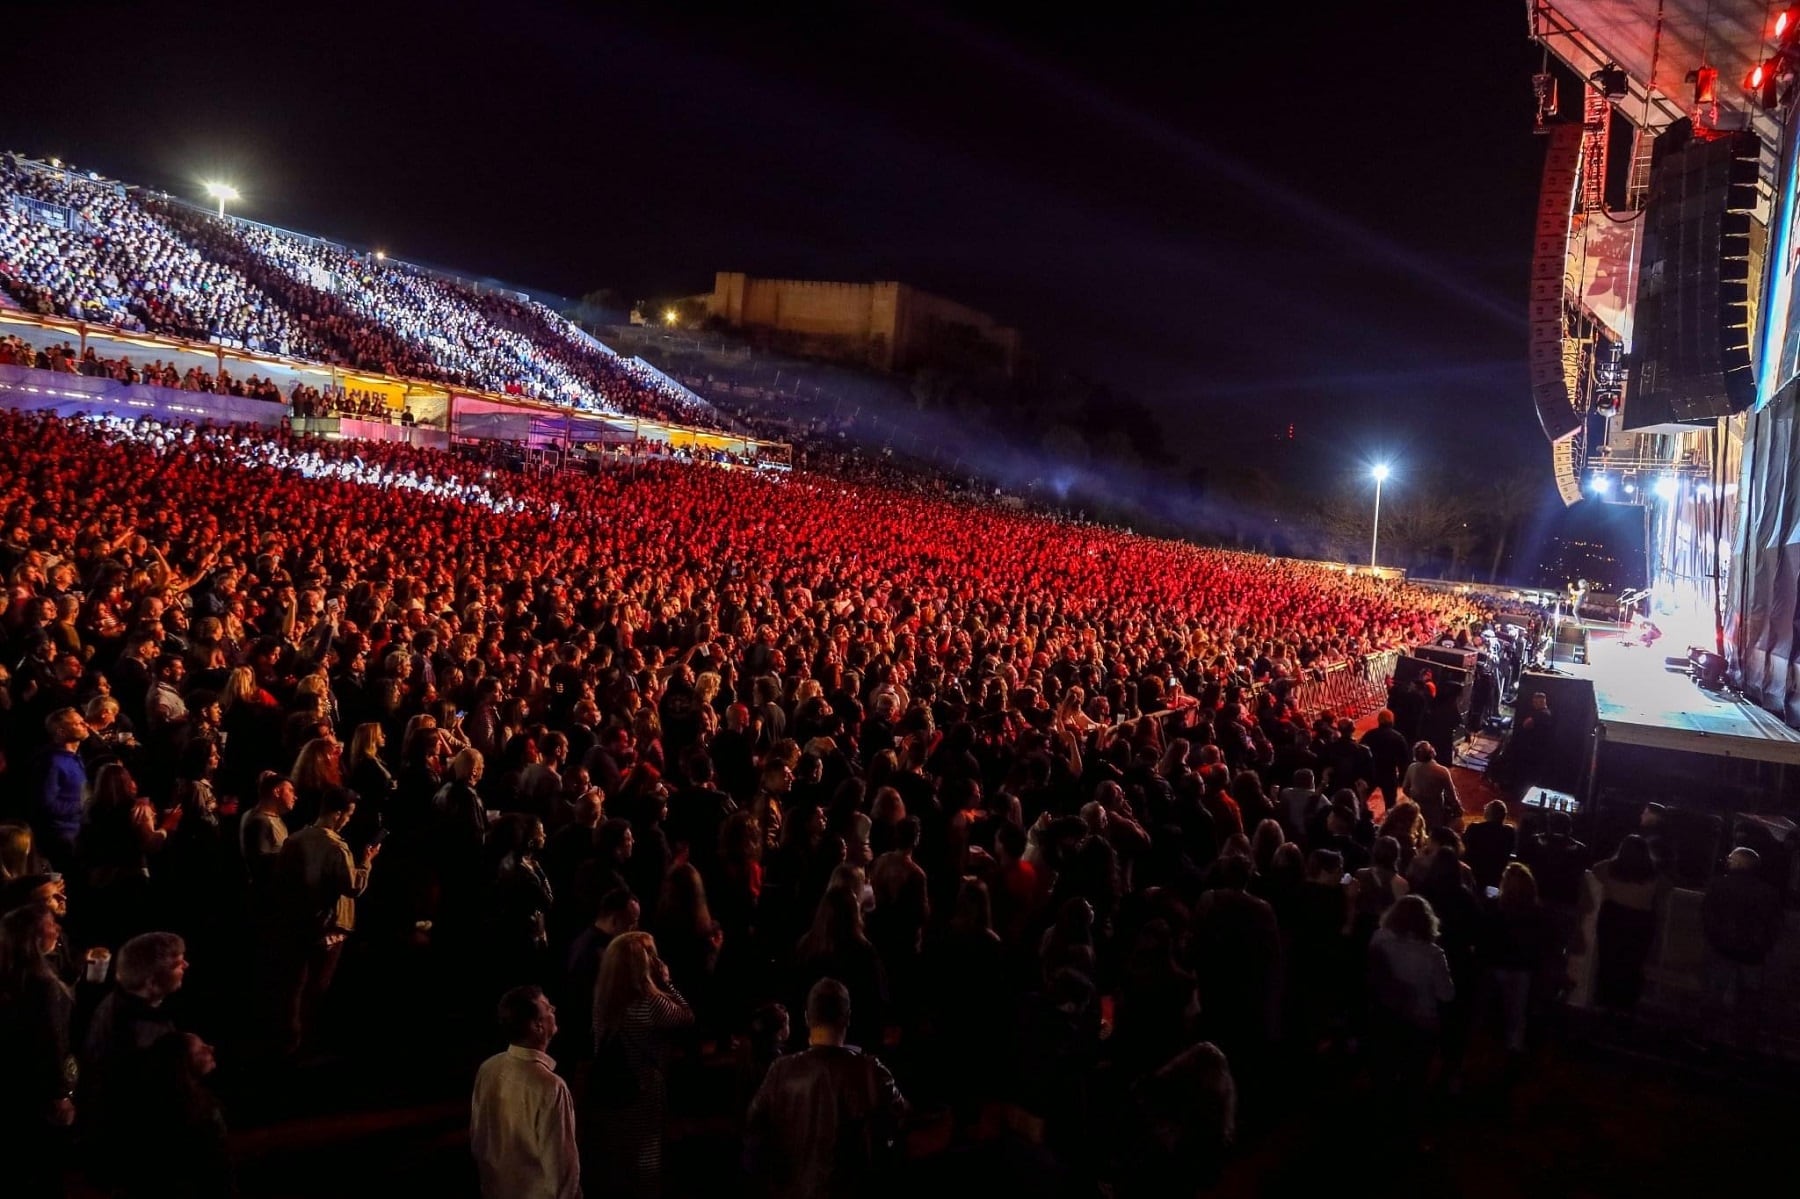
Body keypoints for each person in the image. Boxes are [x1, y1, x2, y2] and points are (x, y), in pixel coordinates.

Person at [745, 977, 907, 1199]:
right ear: (847, 1018)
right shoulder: (871, 1071)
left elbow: (754, 1132)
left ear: (806, 1018)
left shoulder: (779, 1071)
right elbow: (902, 1120)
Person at [270, 786, 378, 1054]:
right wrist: (366, 862)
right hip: (328, 927)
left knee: (294, 986)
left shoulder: (294, 840)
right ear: (337, 813)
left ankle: (287, 1041)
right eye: (348, 814)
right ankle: (307, 1044)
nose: (349, 820)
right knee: (317, 988)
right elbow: (352, 886)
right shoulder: (335, 847)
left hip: (297, 923)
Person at [587, 930, 693, 1198]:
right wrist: (667, 983)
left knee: (618, 1154)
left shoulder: (603, 1000)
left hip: (611, 1086)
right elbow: (687, 1016)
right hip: (643, 1085)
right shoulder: (650, 1003)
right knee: (646, 1154)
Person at [471, 985, 581, 1199]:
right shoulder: (550, 1087)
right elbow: (562, 1171)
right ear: (537, 1026)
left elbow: (479, 1139)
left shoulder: (488, 1068)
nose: (554, 1011)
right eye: (548, 1008)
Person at [0, 902, 76, 1197]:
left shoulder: (11, 975)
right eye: (50, 923)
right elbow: (52, 1042)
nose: (57, 929)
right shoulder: (42, 984)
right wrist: (62, 1095)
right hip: (40, 1092)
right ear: (32, 934)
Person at [1366, 895, 1454, 1121]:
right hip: (1421, 1020)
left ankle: (1380, 1116)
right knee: (1415, 1075)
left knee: (1385, 1070)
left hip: (1386, 1016)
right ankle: (1408, 1121)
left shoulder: (1379, 939)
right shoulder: (1433, 954)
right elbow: (1446, 994)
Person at [1699, 847, 1783, 1050]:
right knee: (1749, 1000)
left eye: (1731, 858)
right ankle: (1743, 1042)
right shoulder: (1768, 892)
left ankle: (1708, 1038)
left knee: (1714, 994)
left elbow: (1708, 916)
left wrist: (1715, 939)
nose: (1727, 860)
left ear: (1738, 863)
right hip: (1753, 954)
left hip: (1722, 949)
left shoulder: (1719, 885)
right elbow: (1774, 924)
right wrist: (1764, 945)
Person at [1401, 741, 1459, 832]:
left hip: (1417, 807)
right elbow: (1451, 794)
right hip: (1435, 809)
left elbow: (1405, 789)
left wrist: (1415, 797)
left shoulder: (1411, 767)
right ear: (1432, 753)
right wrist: (1457, 806)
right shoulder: (1442, 771)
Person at [1462, 799, 1516, 891]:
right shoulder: (1509, 832)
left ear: (1487, 814)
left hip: (1475, 876)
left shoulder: (1475, 829)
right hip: (1496, 877)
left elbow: (1462, 847)